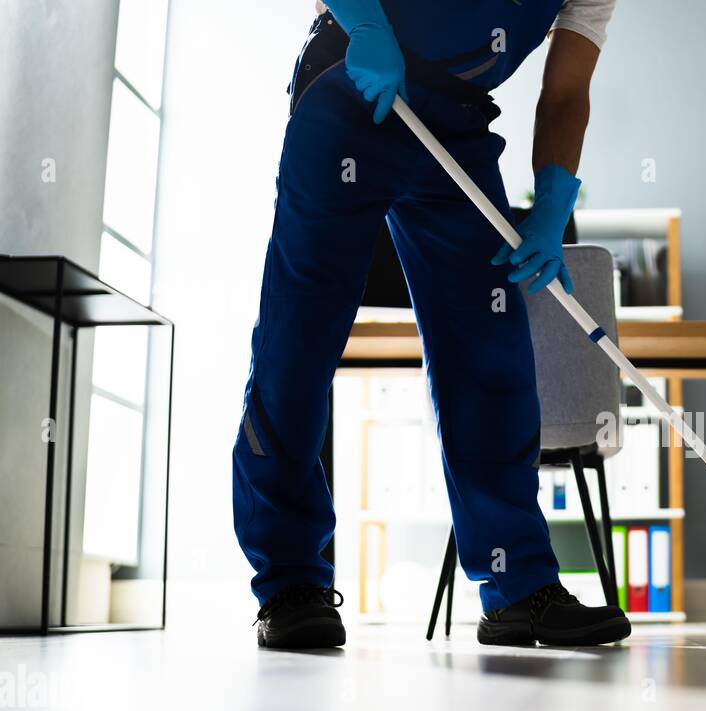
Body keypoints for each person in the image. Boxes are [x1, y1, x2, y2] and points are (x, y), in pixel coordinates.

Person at [233, 0, 627, 650]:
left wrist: (554, 199)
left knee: (491, 345)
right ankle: (290, 583)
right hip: (354, 80)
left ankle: (517, 587)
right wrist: (364, 25)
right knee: (299, 337)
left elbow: (565, 90)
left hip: (457, 122)